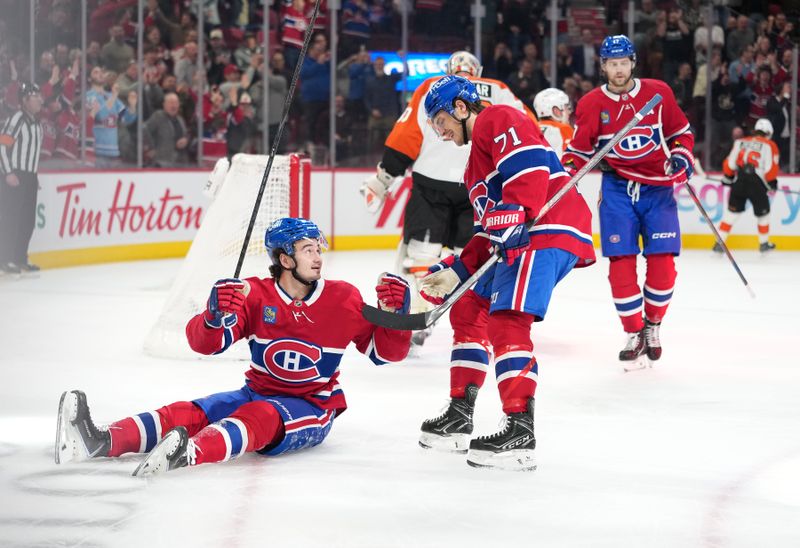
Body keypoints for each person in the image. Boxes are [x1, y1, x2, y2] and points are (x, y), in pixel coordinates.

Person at [55, 218, 412, 476]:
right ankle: (101, 441)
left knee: (260, 416)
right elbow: (206, 345)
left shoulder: (344, 297)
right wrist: (214, 316)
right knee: (191, 412)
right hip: (256, 391)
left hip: (311, 406)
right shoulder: (254, 293)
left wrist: (397, 315)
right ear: (285, 259)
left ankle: (190, 453)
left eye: (319, 248)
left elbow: (385, 353)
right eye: (307, 250)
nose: (318, 257)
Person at [417, 76, 595, 471]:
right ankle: (459, 413)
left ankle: (519, 429)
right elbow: (487, 231)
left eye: (441, 121)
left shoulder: (498, 117)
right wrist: (457, 269)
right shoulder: (472, 169)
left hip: (545, 229)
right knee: (468, 310)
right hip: (522, 232)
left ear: (462, 108)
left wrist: (518, 213)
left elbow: (528, 167)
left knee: (507, 322)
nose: (440, 132)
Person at [360, 51, 538, 346]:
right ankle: (473, 325)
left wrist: (383, 179)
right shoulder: (500, 89)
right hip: (480, 185)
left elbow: (406, 137)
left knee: (421, 253)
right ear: (476, 70)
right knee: (470, 256)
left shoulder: (430, 86)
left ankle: (419, 316)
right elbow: (530, 130)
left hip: (432, 184)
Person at [561, 35, 695, 369]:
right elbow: (578, 150)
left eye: (623, 63)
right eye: (612, 64)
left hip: (658, 189)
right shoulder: (592, 103)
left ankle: (653, 325)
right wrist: (566, 173)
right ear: (603, 66)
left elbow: (681, 132)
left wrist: (680, 156)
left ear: (633, 63)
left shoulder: (658, 93)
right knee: (621, 266)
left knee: (663, 266)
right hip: (618, 190)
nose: (618, 70)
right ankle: (634, 332)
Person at [714, 118, 780, 253]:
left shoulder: (740, 142)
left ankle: (719, 244)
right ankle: (764, 244)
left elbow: (730, 163)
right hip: (757, 184)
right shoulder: (770, 145)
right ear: (768, 132)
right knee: (763, 215)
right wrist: (772, 183)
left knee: (731, 214)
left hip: (740, 181)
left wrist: (728, 176)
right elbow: (771, 168)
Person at [0, 82, 44, 275]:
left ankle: (19, 257)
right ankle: (5, 259)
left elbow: (33, 152)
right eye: (36, 97)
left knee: (27, 220)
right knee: (11, 218)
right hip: (15, 174)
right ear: (25, 100)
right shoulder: (17, 119)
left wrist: (34, 175)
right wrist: (8, 172)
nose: (40, 100)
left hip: (30, 176)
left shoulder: (37, 123)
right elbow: (2, 147)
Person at [532, 88, 573, 159]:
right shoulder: (563, 129)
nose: (569, 112)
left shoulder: (531, 128)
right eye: (566, 107)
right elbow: (572, 160)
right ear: (556, 111)